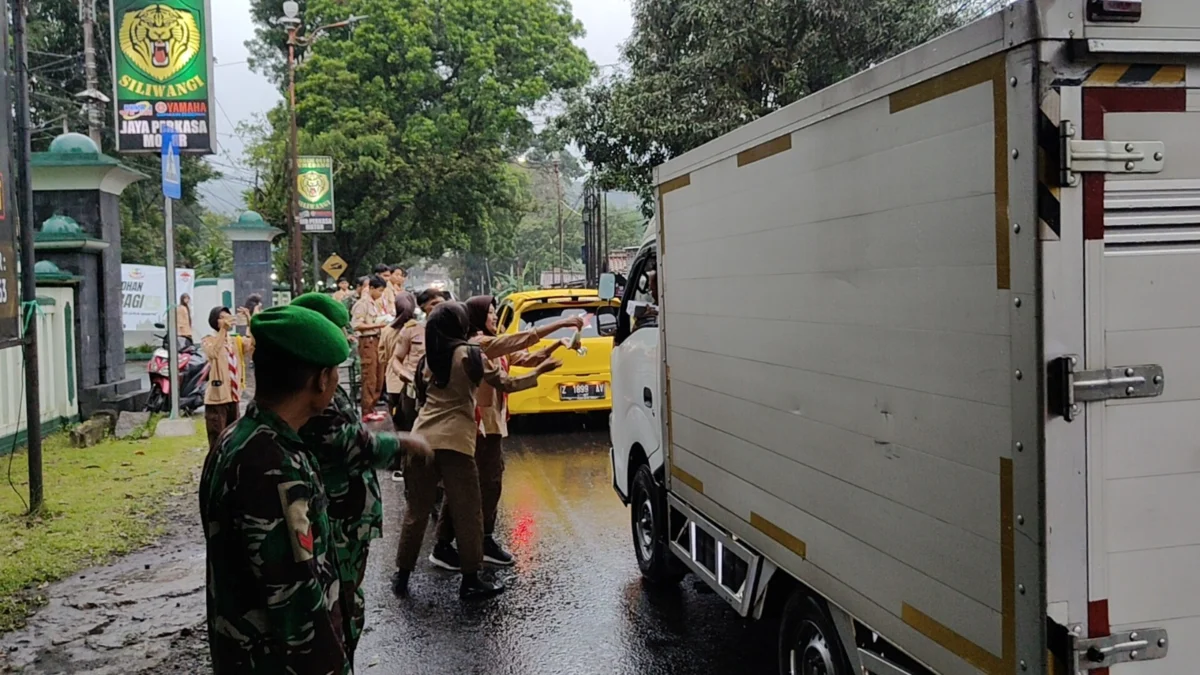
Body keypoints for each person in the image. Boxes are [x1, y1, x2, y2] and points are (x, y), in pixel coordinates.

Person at [199, 304, 352, 674]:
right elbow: (297, 601)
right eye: (334, 374)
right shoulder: (275, 464)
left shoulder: (237, 438)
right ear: (321, 380)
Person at [290, 292, 431, 664]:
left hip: (346, 518)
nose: (349, 340)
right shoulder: (312, 398)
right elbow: (353, 444)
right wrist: (406, 444)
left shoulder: (325, 390)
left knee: (345, 604)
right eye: (340, 332)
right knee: (339, 608)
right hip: (338, 521)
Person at [391, 303, 562, 600]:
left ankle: (402, 576)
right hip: (456, 442)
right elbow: (505, 383)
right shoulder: (471, 356)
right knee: (468, 511)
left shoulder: (426, 362)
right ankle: (471, 579)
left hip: (420, 440)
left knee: (416, 512)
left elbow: (421, 396)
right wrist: (540, 371)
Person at [429, 296, 582, 570]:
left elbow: (521, 356)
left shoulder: (491, 342)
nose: (494, 318)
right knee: (478, 486)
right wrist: (561, 323)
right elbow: (521, 343)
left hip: (493, 423)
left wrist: (556, 346)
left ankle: (469, 542)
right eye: (489, 313)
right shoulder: (480, 344)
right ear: (474, 318)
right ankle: (463, 544)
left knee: (485, 484)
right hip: (480, 425)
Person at [201, 307, 244, 451]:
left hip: (233, 397)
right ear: (215, 321)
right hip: (217, 399)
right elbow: (212, 352)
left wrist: (251, 320)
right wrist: (223, 331)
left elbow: (252, 345)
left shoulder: (234, 341)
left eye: (228, 316)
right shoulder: (208, 339)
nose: (226, 319)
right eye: (221, 317)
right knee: (217, 441)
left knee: (234, 439)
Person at [352, 276, 389, 421]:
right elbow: (357, 325)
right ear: (372, 288)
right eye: (379, 290)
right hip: (368, 341)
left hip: (378, 340)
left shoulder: (375, 303)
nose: (381, 293)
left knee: (380, 376)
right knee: (370, 376)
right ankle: (366, 410)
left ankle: (373, 407)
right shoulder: (362, 304)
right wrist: (378, 325)